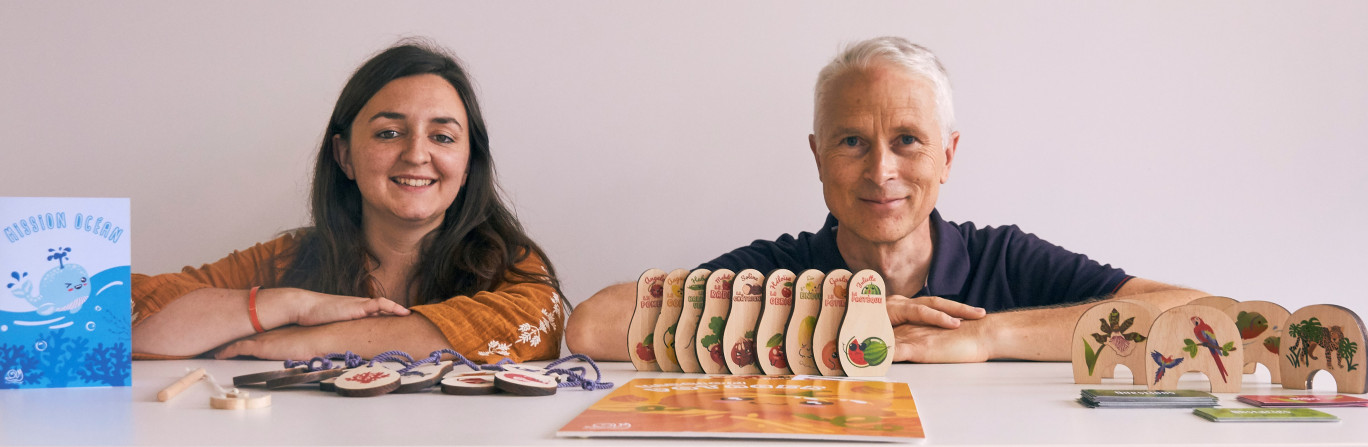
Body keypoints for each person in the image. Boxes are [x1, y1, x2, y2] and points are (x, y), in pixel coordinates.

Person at [565, 36, 1206, 363]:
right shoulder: (778, 270)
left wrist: (987, 337)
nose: (881, 170)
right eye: (851, 141)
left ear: (947, 157)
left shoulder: (1007, 258)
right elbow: (594, 326)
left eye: (906, 140)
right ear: (817, 157)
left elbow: (1201, 312)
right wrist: (837, 318)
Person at [131, 41, 564, 363]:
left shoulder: (508, 261)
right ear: (344, 156)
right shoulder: (288, 260)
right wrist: (294, 305)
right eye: (388, 133)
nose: (416, 154)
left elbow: (534, 326)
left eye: (443, 137)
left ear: (468, 164)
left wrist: (318, 340)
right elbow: (119, 323)